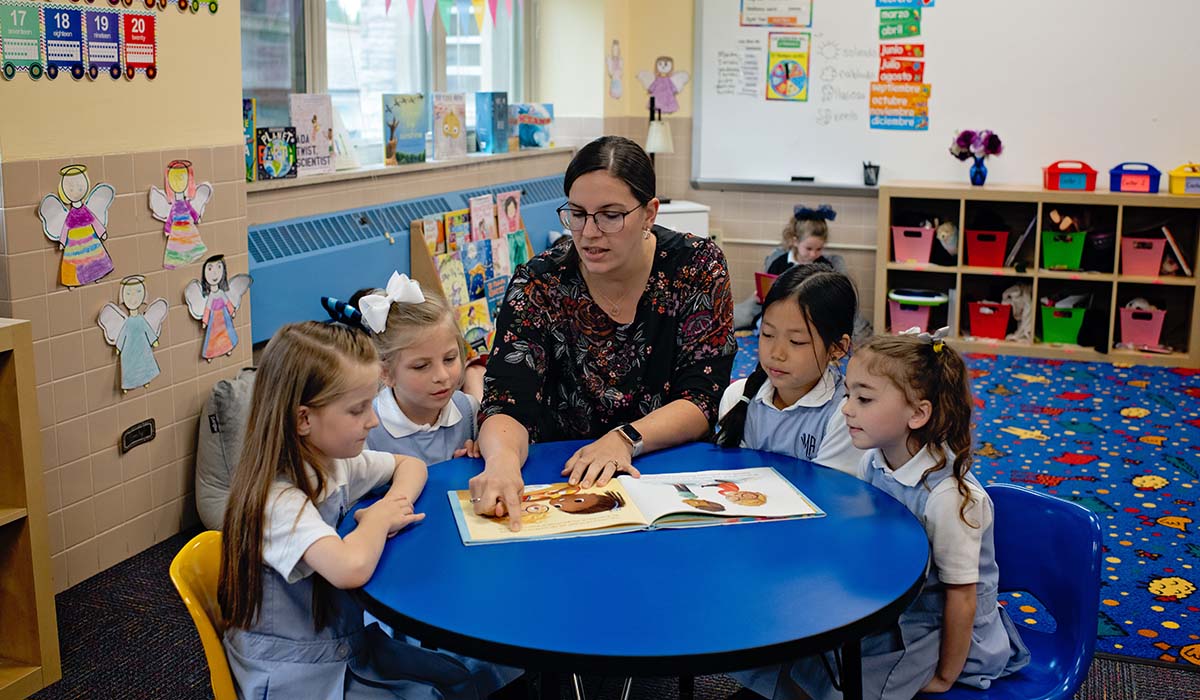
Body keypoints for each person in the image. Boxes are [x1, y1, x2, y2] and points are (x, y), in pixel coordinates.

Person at [217, 321, 514, 699]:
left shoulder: (332, 463)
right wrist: (376, 521)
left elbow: (411, 466)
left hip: (346, 644)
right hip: (298, 672)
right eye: (358, 410)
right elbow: (350, 568)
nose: (372, 420)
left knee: (462, 679)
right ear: (303, 419)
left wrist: (391, 503)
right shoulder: (276, 502)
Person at [739, 329, 1030, 699]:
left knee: (842, 690)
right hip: (892, 604)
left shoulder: (948, 498)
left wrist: (945, 675)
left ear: (918, 413)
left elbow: (962, 600)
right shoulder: (874, 460)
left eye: (863, 398)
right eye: (848, 394)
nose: (846, 409)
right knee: (775, 649)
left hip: (937, 630)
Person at [470, 135, 736, 530]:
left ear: (649, 213)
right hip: (562, 476)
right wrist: (502, 461)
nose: (590, 232)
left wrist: (625, 438)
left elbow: (702, 398)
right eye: (577, 214)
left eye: (610, 215)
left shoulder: (696, 267)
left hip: (663, 469)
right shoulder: (539, 283)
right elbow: (506, 402)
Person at [714, 263, 863, 475]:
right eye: (767, 334)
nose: (777, 353)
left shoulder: (847, 415)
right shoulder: (738, 397)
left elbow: (829, 490)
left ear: (837, 348)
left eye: (796, 341)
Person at [343, 271, 481, 465]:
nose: (442, 376)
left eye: (449, 359)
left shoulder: (469, 411)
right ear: (385, 372)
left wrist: (474, 459)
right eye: (421, 366)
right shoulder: (366, 430)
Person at [733, 204, 871, 343]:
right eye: (809, 248)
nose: (813, 254)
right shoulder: (779, 263)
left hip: (812, 316)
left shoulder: (825, 266)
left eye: (819, 249)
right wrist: (762, 296)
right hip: (781, 313)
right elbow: (770, 293)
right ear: (795, 241)